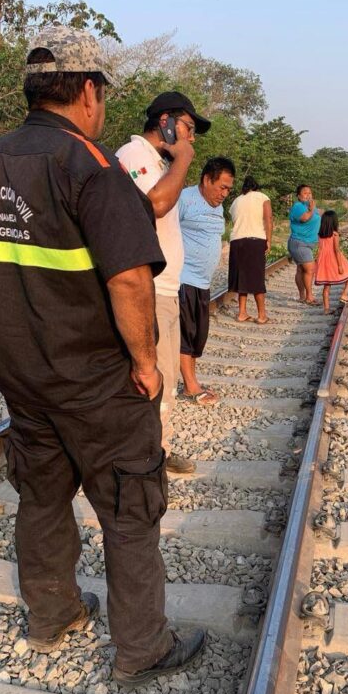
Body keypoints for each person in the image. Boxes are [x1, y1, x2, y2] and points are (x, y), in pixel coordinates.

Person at [0, 26, 205, 687]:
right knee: (129, 507)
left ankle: (52, 614)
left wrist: (6, 343)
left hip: (22, 377)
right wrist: (146, 365)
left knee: (41, 496)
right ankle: (142, 648)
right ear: (89, 91)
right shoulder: (90, 167)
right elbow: (129, 280)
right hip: (94, 380)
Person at [117, 91, 211, 473]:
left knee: (166, 378)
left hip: (167, 288)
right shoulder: (134, 155)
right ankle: (143, 458)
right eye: (188, 127)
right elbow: (155, 203)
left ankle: (159, 449)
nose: (191, 137)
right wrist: (184, 158)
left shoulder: (157, 162)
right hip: (147, 289)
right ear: (165, 122)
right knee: (149, 379)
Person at [177, 157, 235, 404]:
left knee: (198, 336)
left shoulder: (217, 207)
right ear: (206, 180)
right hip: (183, 277)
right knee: (185, 333)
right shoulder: (184, 198)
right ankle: (190, 386)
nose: (224, 194)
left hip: (203, 282)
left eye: (228, 189)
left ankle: (192, 380)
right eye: (221, 187)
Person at [228, 176, 273, 324]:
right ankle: (261, 315)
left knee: (242, 277)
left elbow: (235, 220)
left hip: (236, 241)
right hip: (255, 240)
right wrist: (269, 240)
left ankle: (242, 313)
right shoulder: (262, 197)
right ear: (256, 187)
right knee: (256, 277)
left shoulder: (236, 201)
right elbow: (268, 219)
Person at [314, 209, 348, 313]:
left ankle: (326, 309)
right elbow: (336, 250)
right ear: (334, 222)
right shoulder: (334, 235)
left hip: (323, 260)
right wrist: (340, 265)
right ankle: (344, 294)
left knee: (326, 285)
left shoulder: (320, 235)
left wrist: (317, 261)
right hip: (334, 259)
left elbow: (320, 249)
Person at [288, 184, 321, 305]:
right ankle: (309, 297)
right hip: (299, 243)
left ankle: (302, 296)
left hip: (308, 243)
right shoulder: (298, 207)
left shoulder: (311, 207)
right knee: (310, 269)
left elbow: (318, 218)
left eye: (310, 193)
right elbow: (304, 218)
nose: (308, 195)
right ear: (299, 196)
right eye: (305, 193)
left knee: (301, 269)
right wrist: (311, 210)